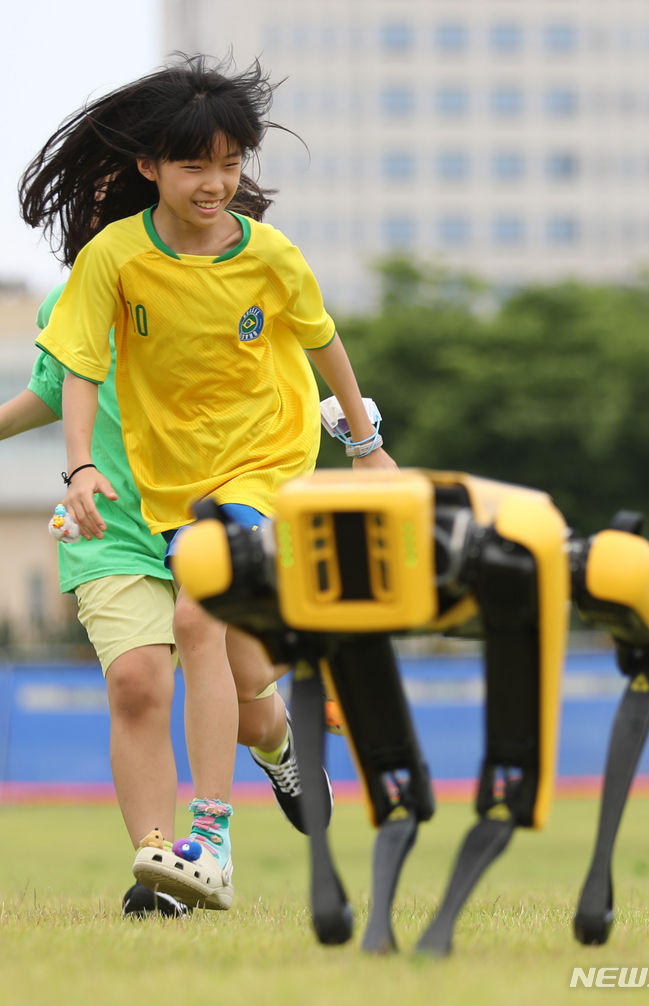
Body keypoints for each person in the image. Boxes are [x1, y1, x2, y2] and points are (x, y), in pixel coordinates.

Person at [20, 54, 396, 912]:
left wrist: (365, 438)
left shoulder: (268, 255)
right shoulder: (109, 265)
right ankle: (173, 858)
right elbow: (66, 378)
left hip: (262, 463)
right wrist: (79, 468)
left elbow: (322, 342)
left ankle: (211, 840)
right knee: (157, 680)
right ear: (150, 168)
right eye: (198, 165)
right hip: (153, 492)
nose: (218, 183)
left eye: (232, 165)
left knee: (199, 616)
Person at [0, 284, 322, 917]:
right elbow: (52, 389)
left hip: (208, 509)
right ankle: (163, 873)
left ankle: (278, 744)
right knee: (136, 681)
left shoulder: (219, 279)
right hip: (108, 523)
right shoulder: (66, 301)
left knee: (252, 709)